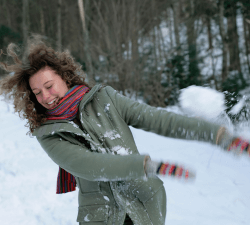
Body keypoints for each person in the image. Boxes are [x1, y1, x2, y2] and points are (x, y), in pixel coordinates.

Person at [0, 42, 249, 225]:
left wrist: (216, 135)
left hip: (143, 202)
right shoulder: (47, 132)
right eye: (37, 92)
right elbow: (89, 165)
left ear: (64, 77)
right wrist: (148, 165)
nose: (45, 97)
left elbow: (158, 119)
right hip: (101, 214)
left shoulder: (104, 99)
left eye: (48, 86)